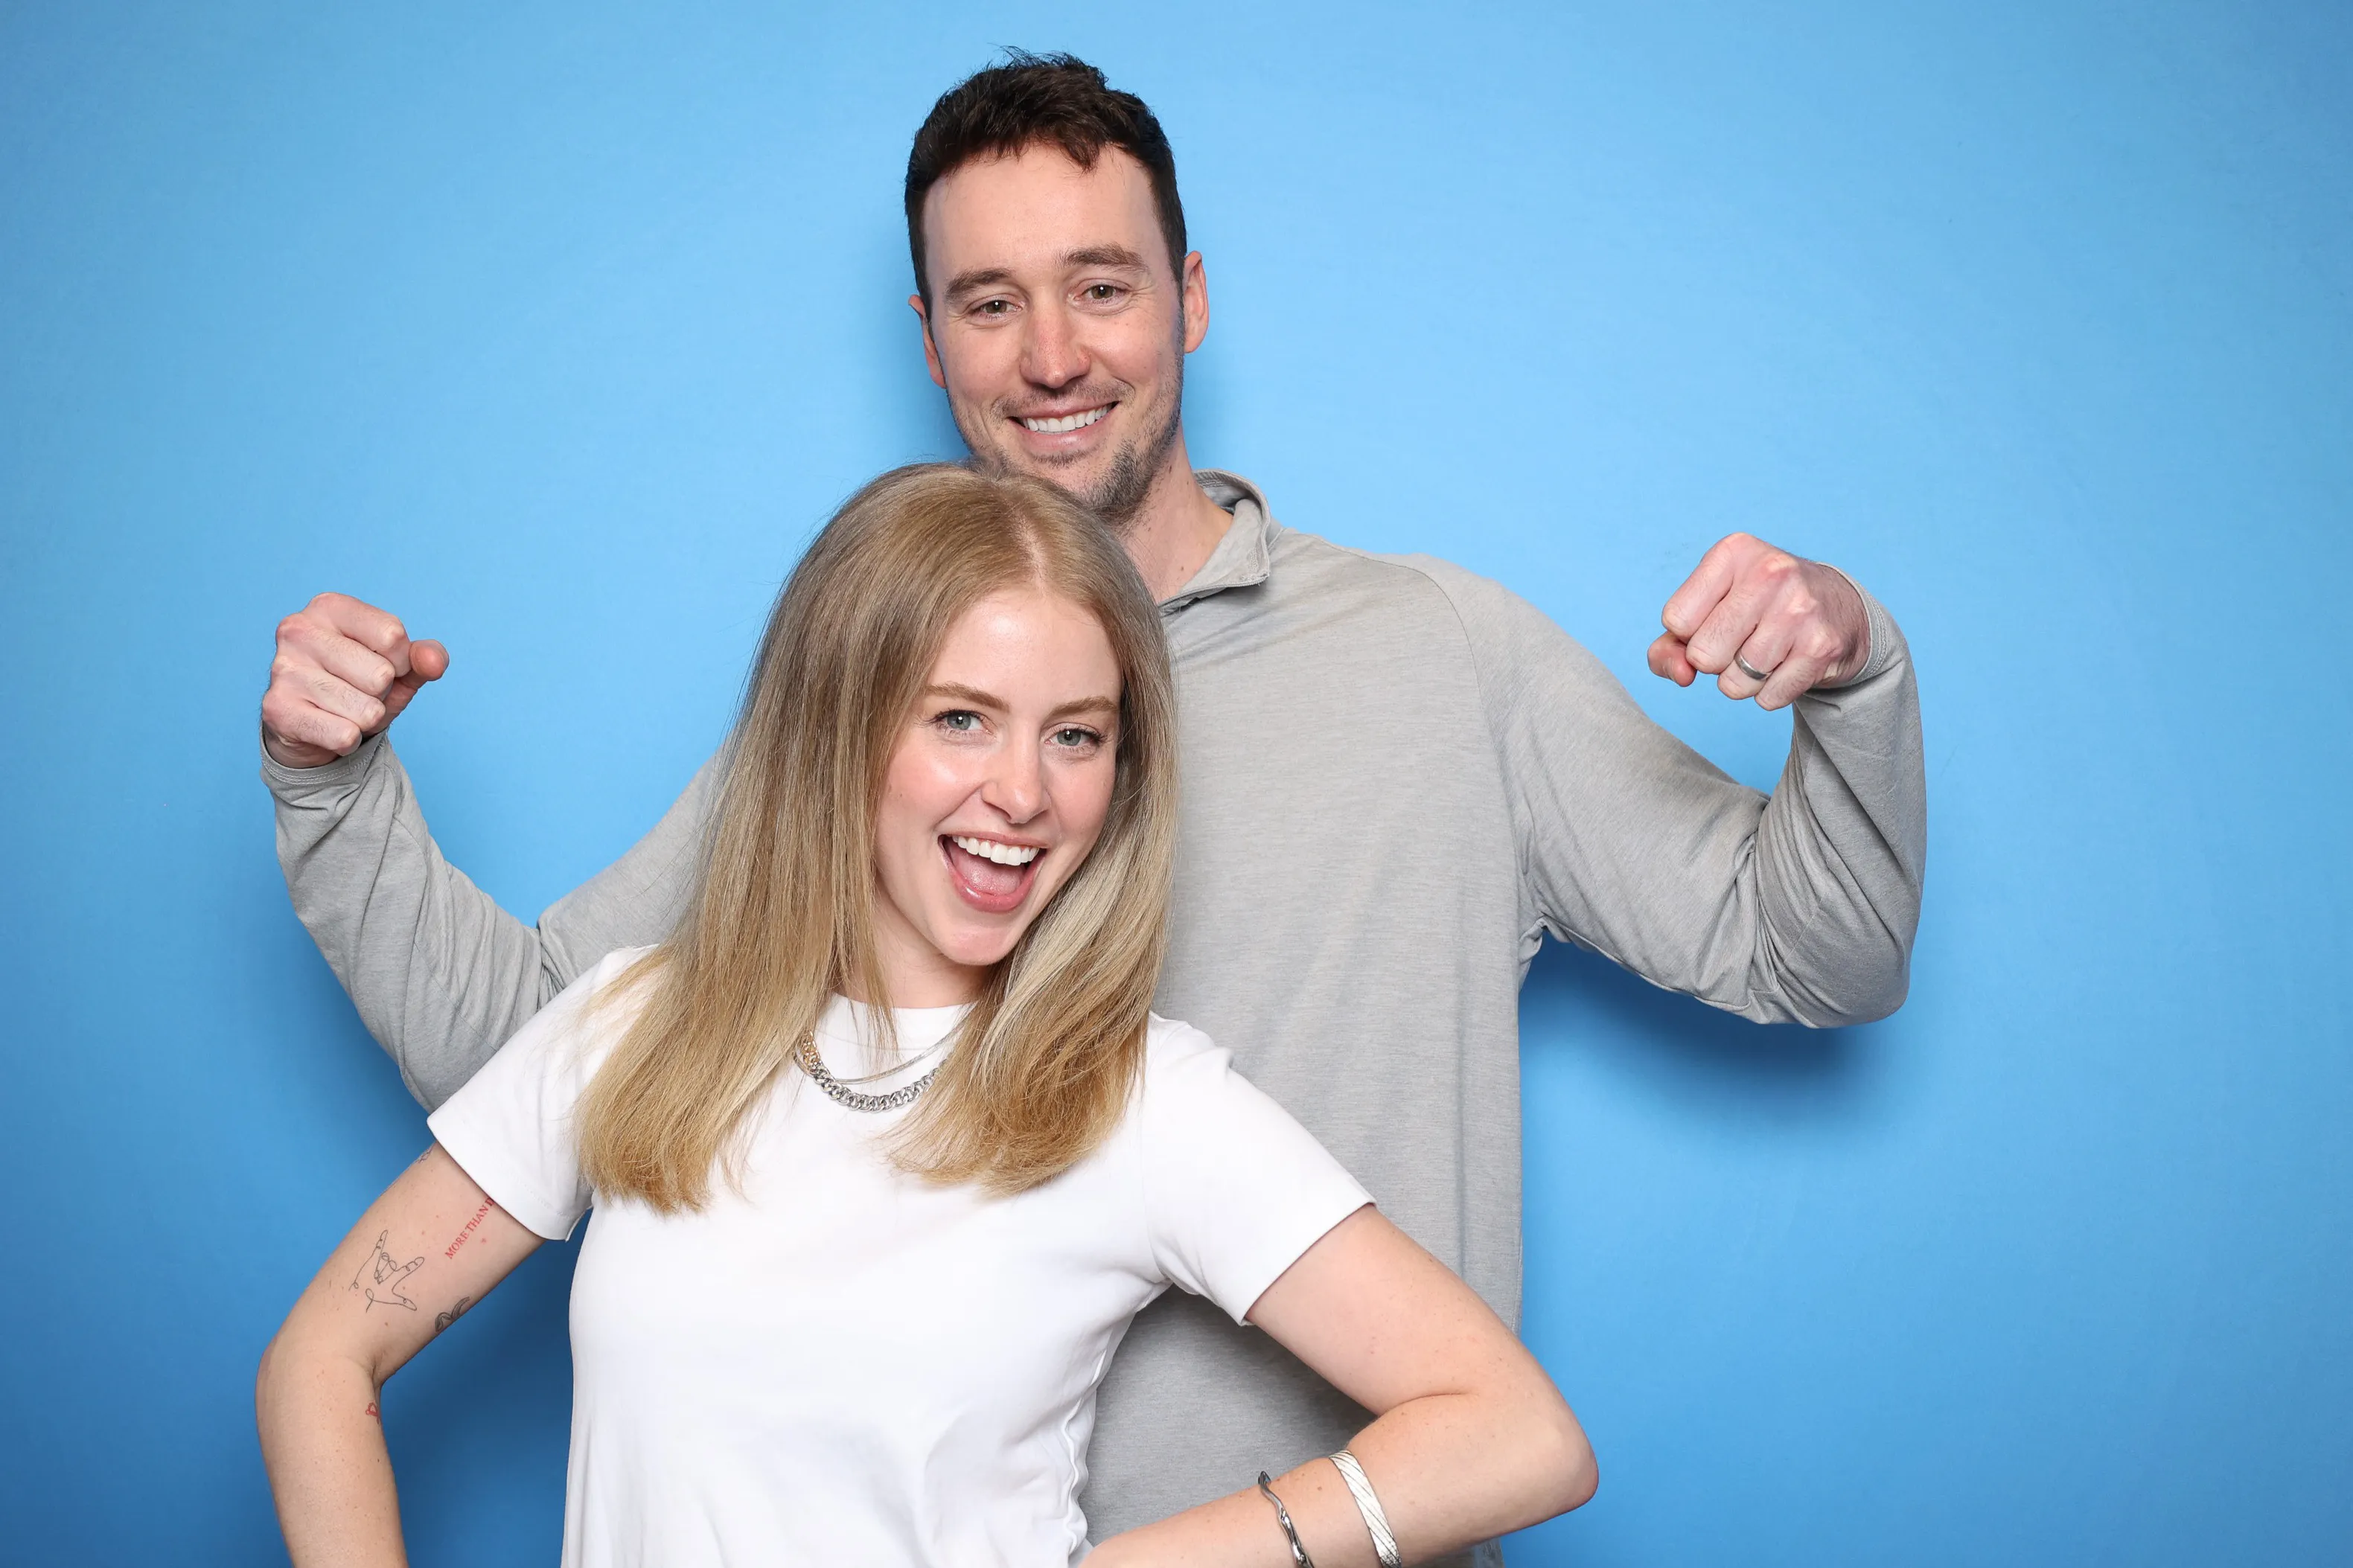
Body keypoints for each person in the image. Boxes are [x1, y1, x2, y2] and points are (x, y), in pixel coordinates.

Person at [258, 52, 1923, 1565]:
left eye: (1100, 287)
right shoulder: (848, 731)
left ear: (1187, 300)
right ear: (926, 340)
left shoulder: (1439, 655)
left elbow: (1813, 959)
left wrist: (1847, 665)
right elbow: (543, 1063)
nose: (1051, 356)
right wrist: (335, 790)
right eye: (988, 303)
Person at [256, 464, 1597, 1567]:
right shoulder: (634, 1025)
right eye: (963, 718)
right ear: (839, 729)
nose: (1025, 791)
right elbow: (324, 1354)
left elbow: (1517, 1432)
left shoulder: (1143, 1101)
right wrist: (330, 786)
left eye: (1077, 735)